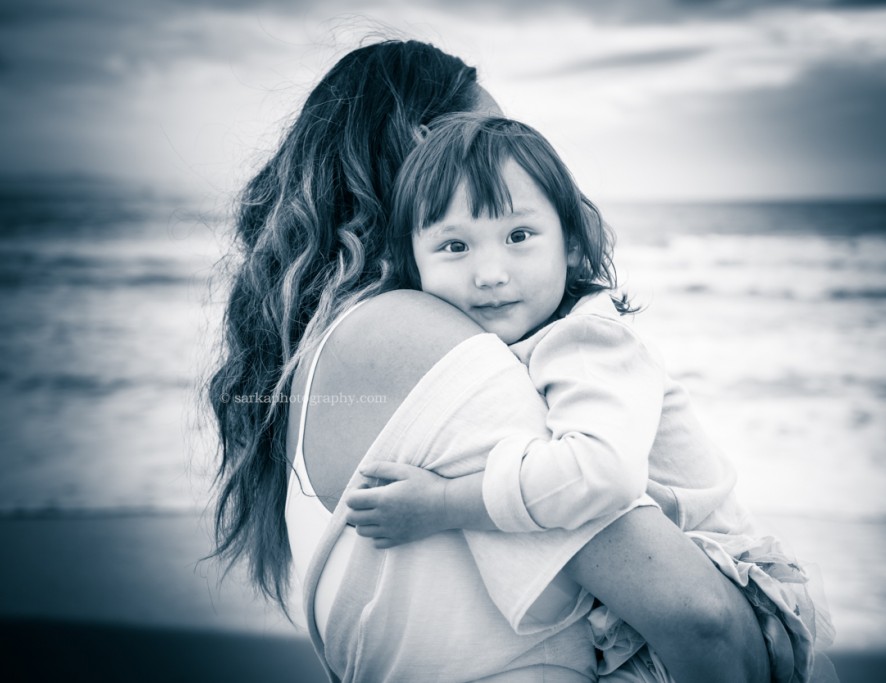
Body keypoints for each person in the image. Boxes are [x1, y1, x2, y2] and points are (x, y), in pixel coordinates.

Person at [209, 39, 778, 682]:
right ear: (430, 147)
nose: (503, 157)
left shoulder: (314, 360)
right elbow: (703, 618)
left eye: (520, 233)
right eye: (484, 138)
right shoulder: (411, 336)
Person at [345, 113, 835, 682]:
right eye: (454, 246)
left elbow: (601, 472)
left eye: (519, 237)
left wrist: (444, 504)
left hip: (720, 589)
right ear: (414, 266)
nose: (490, 272)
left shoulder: (586, 339)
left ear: (573, 244)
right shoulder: (520, 344)